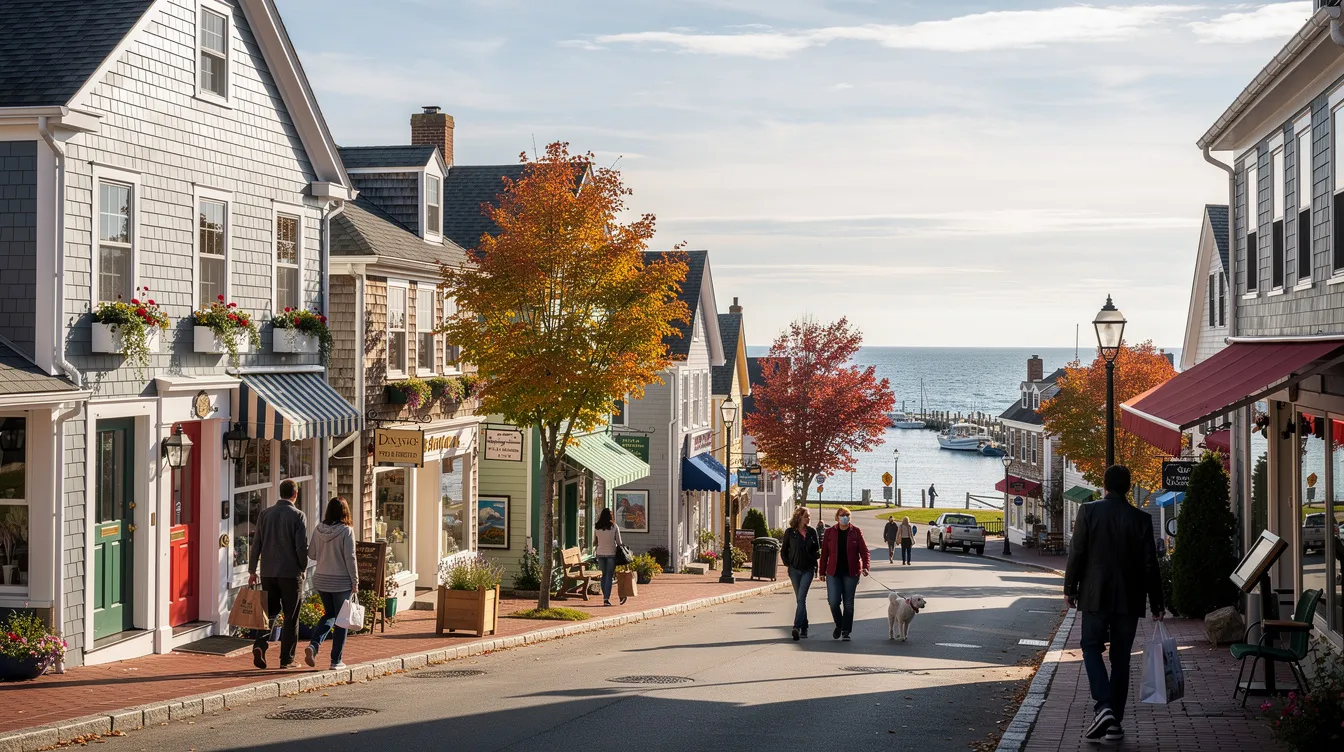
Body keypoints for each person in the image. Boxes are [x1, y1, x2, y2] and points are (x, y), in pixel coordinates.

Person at [1063, 465, 1164, 744]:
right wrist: (1157, 602)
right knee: (1121, 658)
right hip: (1129, 598)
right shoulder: (1141, 519)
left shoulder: (1089, 511)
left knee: (1090, 647)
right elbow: (1149, 565)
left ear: (1105, 486)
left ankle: (1104, 706)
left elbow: (1078, 553)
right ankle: (1114, 723)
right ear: (1128, 488)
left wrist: (1070, 588)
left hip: (1095, 595)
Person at [248, 479, 309, 670]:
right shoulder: (298, 516)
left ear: (280, 493)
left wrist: (252, 570)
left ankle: (260, 645)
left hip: (268, 572)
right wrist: (303, 566)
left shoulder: (265, 514)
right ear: (295, 494)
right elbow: (300, 547)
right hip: (290, 573)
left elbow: (256, 542)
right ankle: (287, 659)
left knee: (270, 613)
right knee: (291, 616)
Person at [304, 497, 358, 670]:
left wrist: (324, 553)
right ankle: (336, 660)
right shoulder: (346, 531)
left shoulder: (318, 529)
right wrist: (355, 581)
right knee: (342, 620)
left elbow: (311, 554)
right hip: (341, 581)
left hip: (321, 579)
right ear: (345, 512)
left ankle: (314, 645)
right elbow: (350, 558)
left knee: (329, 614)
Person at [818, 506, 870, 640]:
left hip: (851, 572)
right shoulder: (830, 532)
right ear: (837, 517)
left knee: (848, 603)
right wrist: (822, 572)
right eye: (842, 515)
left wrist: (866, 566)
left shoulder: (856, 532)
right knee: (833, 601)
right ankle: (839, 624)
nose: (845, 517)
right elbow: (824, 554)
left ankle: (846, 631)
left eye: (847, 515)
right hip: (833, 572)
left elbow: (864, 552)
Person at [780, 506, 820, 641]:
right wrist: (788, 563)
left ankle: (796, 627)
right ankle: (805, 626)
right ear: (799, 517)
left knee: (801, 598)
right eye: (806, 516)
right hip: (794, 570)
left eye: (809, 516)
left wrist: (815, 562)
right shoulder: (790, 532)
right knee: (800, 600)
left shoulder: (812, 532)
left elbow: (817, 550)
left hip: (807, 569)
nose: (808, 519)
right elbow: (784, 550)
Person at [593, 508, 627, 606]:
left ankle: (605, 597)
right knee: (609, 576)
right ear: (610, 516)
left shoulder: (596, 526)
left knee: (604, 575)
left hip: (600, 553)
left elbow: (595, 541)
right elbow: (619, 542)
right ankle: (606, 598)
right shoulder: (614, 526)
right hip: (611, 553)